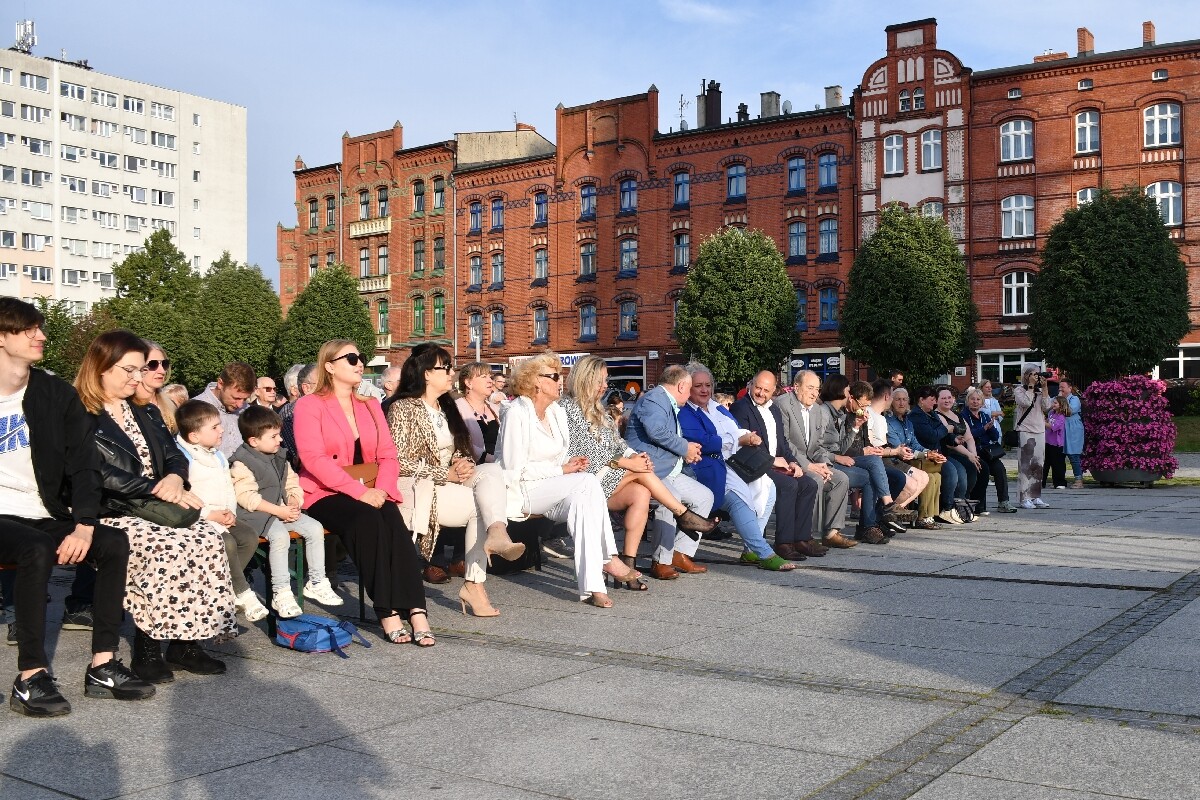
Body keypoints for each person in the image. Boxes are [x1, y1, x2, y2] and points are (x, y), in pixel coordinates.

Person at [0, 300, 153, 716]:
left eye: (40, 328)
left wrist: (85, 524)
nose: (41, 337)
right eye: (28, 330)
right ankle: (30, 677)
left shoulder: (53, 394)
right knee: (34, 548)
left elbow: (84, 467)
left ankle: (102, 665)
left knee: (113, 542)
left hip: (40, 511)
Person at [77, 330, 237, 684]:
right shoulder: (81, 413)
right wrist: (157, 488)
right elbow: (97, 472)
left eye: (140, 370)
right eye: (131, 370)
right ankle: (148, 647)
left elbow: (173, 455)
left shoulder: (145, 410)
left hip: (160, 502)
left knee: (207, 539)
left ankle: (188, 643)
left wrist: (177, 480)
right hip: (114, 508)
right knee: (166, 547)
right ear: (102, 367)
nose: (139, 378)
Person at [293, 340, 434, 645]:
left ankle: (416, 608)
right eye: (352, 358)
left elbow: (387, 455)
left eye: (362, 358)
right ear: (329, 366)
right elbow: (312, 459)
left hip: (372, 489)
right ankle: (387, 611)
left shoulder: (370, 404)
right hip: (324, 492)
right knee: (367, 522)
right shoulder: (309, 405)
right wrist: (359, 493)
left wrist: (382, 489)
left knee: (394, 523)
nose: (360, 363)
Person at [389, 344, 524, 617]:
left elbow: (459, 449)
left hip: (451, 482)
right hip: (422, 486)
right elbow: (399, 462)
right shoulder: (403, 408)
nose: (451, 372)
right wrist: (445, 473)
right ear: (427, 374)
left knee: (492, 472)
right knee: (481, 506)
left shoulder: (446, 407)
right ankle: (475, 584)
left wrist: (461, 463)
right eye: (445, 367)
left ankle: (497, 533)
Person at [495, 352, 639, 606]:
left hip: (551, 487)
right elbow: (513, 470)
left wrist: (569, 466)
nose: (560, 381)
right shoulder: (516, 413)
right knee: (586, 482)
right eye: (553, 376)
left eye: (560, 375)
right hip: (522, 490)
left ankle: (593, 587)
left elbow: (562, 459)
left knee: (582, 502)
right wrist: (562, 470)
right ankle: (607, 557)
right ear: (536, 381)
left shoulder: (555, 413)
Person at [563, 356, 717, 588]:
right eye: (600, 381)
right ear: (585, 380)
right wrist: (629, 463)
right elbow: (584, 454)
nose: (605, 386)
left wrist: (633, 456)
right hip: (584, 477)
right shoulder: (568, 408)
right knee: (644, 474)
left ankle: (629, 563)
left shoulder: (600, 411)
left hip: (609, 475)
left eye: (606, 380)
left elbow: (618, 443)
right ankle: (682, 514)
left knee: (641, 493)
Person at [230, 404, 340, 617]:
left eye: (279, 434)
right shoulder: (242, 462)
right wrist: (278, 511)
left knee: (315, 527)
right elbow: (246, 497)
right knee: (280, 536)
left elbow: (291, 482)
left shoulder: (280, 457)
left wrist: (293, 499)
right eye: (273, 436)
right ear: (254, 441)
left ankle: (317, 581)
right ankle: (281, 591)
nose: (280, 440)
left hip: (279, 511)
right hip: (254, 516)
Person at [680, 363, 793, 571]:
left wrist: (746, 437)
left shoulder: (718, 408)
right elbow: (705, 441)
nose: (704, 390)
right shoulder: (685, 411)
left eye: (708, 385)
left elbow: (736, 430)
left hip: (733, 463)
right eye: (698, 386)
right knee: (738, 499)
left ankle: (750, 549)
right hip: (705, 468)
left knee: (769, 488)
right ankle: (763, 552)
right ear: (687, 387)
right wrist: (739, 440)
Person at [173, 400, 270, 622]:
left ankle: (224, 588)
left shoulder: (216, 455)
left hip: (222, 515)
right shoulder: (183, 458)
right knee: (226, 544)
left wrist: (229, 510)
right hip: (197, 519)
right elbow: (182, 497)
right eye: (215, 427)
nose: (222, 430)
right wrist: (209, 515)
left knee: (248, 537)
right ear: (194, 436)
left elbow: (227, 485)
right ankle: (244, 593)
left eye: (220, 425)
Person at [623, 365, 717, 579]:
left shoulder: (667, 401)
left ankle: (679, 553)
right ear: (682, 385)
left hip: (666, 469)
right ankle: (661, 561)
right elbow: (656, 431)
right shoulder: (656, 398)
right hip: (648, 470)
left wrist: (687, 452)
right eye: (691, 386)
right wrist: (685, 447)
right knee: (670, 499)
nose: (692, 391)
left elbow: (664, 436)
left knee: (704, 497)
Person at [732, 371, 823, 557]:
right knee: (789, 485)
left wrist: (794, 463)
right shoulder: (741, 408)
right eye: (758, 388)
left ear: (774, 390)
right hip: (754, 465)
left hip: (776, 464)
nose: (761, 393)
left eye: (766, 390)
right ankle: (784, 543)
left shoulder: (774, 409)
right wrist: (773, 461)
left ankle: (801, 539)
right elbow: (742, 447)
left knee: (808, 484)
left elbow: (782, 444)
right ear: (750, 385)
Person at [777, 370, 855, 547]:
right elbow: (785, 443)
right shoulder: (783, 404)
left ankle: (832, 533)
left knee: (840, 478)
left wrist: (824, 465)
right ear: (796, 387)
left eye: (817, 389)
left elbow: (818, 446)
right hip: (788, 463)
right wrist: (810, 467)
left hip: (811, 462)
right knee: (815, 480)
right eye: (810, 388)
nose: (814, 393)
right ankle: (806, 536)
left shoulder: (817, 411)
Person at [885, 388, 947, 529]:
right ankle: (920, 517)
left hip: (911, 459)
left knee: (936, 476)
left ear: (908, 402)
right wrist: (925, 455)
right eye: (898, 399)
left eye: (904, 399)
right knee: (929, 477)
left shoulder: (908, 422)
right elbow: (898, 447)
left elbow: (915, 444)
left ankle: (929, 516)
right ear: (891, 402)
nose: (901, 403)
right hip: (896, 460)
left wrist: (929, 452)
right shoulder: (888, 422)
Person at [910, 385, 970, 525]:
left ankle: (956, 507)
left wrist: (953, 439)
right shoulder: (916, 416)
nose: (934, 403)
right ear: (921, 400)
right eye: (931, 400)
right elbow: (931, 436)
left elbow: (940, 435)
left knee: (961, 472)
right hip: (926, 456)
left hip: (938, 453)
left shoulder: (932, 414)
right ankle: (946, 508)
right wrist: (946, 429)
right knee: (951, 472)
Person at [963, 388, 1017, 513]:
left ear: (982, 403)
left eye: (978, 399)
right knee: (983, 469)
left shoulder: (984, 415)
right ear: (968, 401)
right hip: (973, 452)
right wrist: (984, 429)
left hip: (988, 451)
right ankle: (980, 505)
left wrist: (991, 428)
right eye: (972, 399)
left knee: (1000, 469)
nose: (975, 402)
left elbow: (994, 436)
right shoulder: (964, 416)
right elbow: (968, 435)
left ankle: (1003, 502)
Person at [193, 361, 256, 458]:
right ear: (220, 384)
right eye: (236, 398)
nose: (240, 405)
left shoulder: (246, 409)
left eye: (245, 399)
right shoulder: (194, 409)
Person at [933, 385, 980, 515]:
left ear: (953, 399)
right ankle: (954, 507)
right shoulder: (938, 416)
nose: (947, 400)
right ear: (937, 400)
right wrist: (969, 455)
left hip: (963, 452)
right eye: (943, 398)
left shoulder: (958, 416)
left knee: (979, 467)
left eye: (949, 398)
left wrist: (974, 455)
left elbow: (969, 438)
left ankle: (968, 504)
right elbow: (949, 442)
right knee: (961, 473)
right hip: (949, 452)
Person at [1014, 367, 1054, 509]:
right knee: (1025, 465)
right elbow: (1025, 402)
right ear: (1026, 376)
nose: (1036, 377)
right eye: (1033, 374)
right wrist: (1030, 387)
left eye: (1037, 374)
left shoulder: (1039, 390)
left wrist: (1044, 389)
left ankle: (1035, 496)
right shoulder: (1019, 390)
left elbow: (1047, 406)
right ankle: (1024, 498)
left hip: (1039, 430)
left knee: (1038, 465)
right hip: (1025, 430)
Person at [455, 363, 501, 464]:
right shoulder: (457, 409)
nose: (490, 381)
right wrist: (487, 458)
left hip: (500, 467)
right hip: (474, 470)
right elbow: (459, 443)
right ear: (468, 383)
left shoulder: (496, 409)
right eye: (484, 377)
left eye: (490, 377)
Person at [132, 341, 179, 434]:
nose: (162, 371)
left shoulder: (171, 405)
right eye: (153, 364)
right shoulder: (128, 408)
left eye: (164, 364)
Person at [1059, 379, 1085, 488]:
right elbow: (1050, 410)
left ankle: (1079, 480)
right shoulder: (1057, 399)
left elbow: (1069, 411)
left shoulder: (1075, 399)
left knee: (1074, 455)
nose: (1060, 390)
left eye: (1063, 387)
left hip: (1073, 429)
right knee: (1059, 456)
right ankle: (1060, 481)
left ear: (1070, 388)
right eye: (1059, 387)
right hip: (1060, 429)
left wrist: (1059, 403)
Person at [1044, 396, 1069, 490]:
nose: (1053, 404)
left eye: (1055, 403)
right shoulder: (1051, 413)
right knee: (1046, 463)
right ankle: (1043, 481)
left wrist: (1042, 423)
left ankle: (1060, 482)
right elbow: (1048, 422)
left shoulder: (1061, 417)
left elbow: (1053, 427)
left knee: (1058, 464)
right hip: (1048, 441)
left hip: (1057, 444)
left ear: (1061, 405)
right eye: (1053, 402)